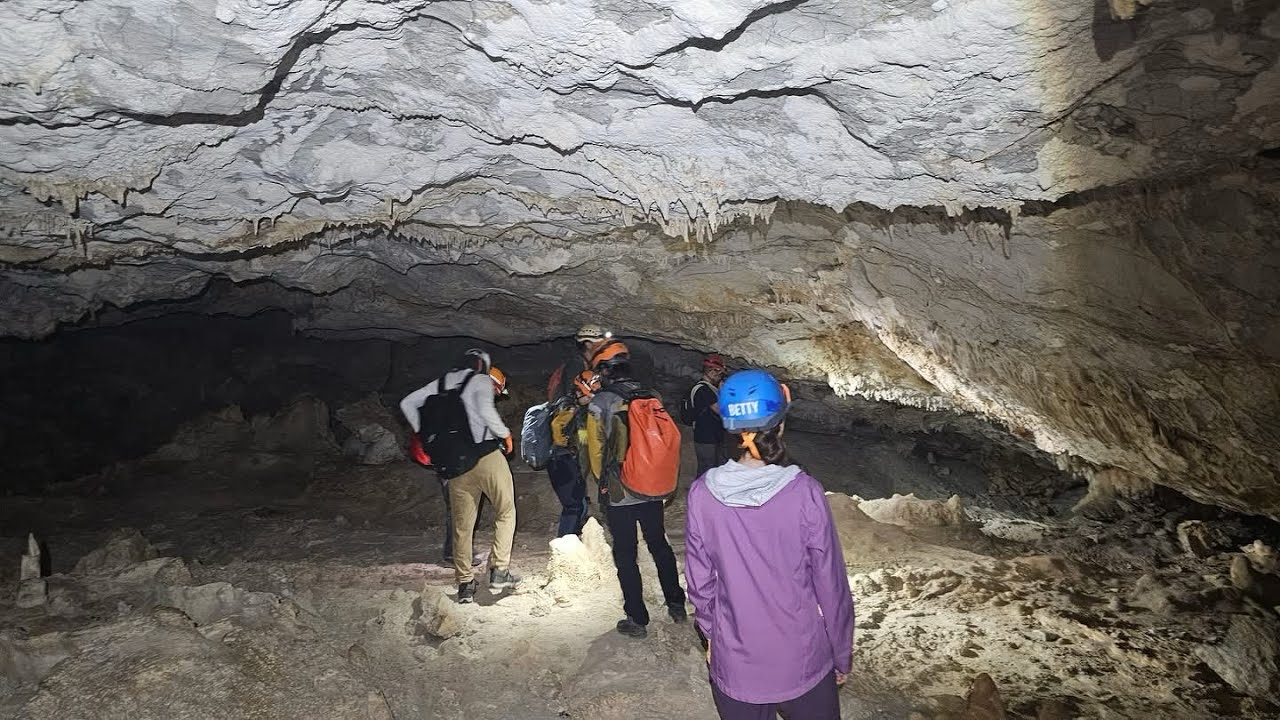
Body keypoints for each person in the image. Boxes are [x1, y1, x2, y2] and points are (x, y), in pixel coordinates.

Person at [684, 369, 854, 720]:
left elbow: (700, 585)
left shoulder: (702, 494)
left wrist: (716, 638)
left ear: (729, 427)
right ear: (779, 424)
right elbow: (830, 583)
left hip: (737, 664)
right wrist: (841, 652)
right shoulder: (805, 492)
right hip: (802, 658)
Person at [399, 349, 521, 604]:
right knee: (505, 511)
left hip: (455, 465)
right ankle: (499, 570)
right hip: (486, 456)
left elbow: (407, 403)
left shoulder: (440, 383)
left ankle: (465, 584)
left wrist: (425, 435)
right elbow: (488, 413)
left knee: (462, 527)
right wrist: (506, 433)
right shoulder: (480, 380)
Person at [585, 340, 687, 639]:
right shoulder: (649, 394)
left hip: (621, 491)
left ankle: (637, 618)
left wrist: (603, 484)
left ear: (604, 370)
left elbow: (596, 452)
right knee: (659, 544)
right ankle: (676, 604)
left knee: (626, 553)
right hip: (651, 486)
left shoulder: (601, 402)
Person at [541, 324, 610, 537]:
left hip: (582, 426)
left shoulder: (588, 365)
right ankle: (574, 524)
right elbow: (572, 400)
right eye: (599, 344)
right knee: (578, 471)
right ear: (588, 344)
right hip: (576, 430)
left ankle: (579, 517)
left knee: (584, 470)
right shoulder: (575, 365)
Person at [689, 354, 728, 481]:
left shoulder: (711, 389)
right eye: (717, 371)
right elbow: (720, 410)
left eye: (721, 373)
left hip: (714, 436)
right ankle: (699, 495)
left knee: (715, 467)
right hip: (705, 437)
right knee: (706, 469)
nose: (719, 375)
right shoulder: (702, 390)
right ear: (709, 370)